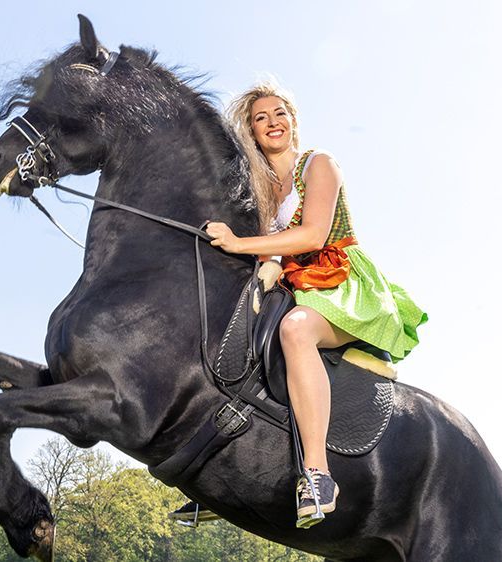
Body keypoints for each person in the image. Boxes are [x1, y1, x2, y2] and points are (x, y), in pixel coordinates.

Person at [172, 83, 427, 529]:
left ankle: (317, 475)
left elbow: (311, 235)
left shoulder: (319, 164)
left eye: (279, 113)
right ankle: (221, 469)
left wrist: (240, 243)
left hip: (341, 284)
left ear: (293, 120)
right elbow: (273, 249)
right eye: (260, 118)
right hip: (297, 282)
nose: (272, 122)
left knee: (296, 329)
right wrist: (264, 260)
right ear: (251, 132)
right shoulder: (263, 190)